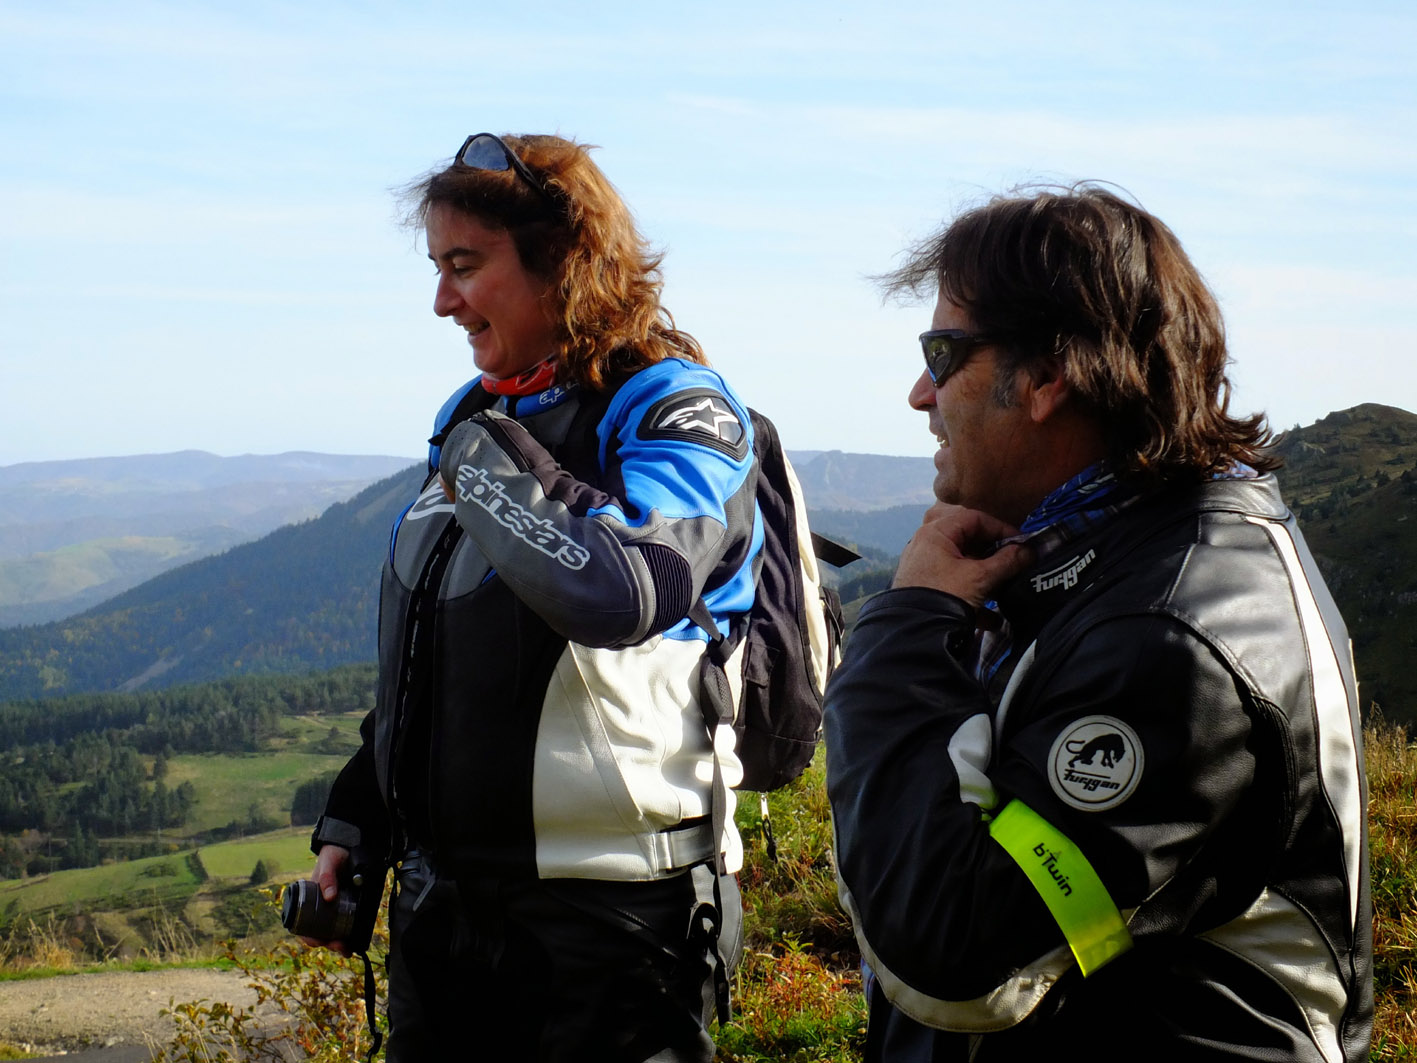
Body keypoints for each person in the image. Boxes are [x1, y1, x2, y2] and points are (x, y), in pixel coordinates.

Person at [824, 185, 1373, 1061]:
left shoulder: (1174, 635)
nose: (919, 393)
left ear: (1048, 375)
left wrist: (905, 624)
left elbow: (952, 952)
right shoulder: (1096, 557)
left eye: (941, 352)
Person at [302, 133, 757, 1062]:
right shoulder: (472, 418)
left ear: (562, 259)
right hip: (445, 912)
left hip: (615, 917)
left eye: (464, 266)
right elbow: (436, 650)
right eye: (437, 268)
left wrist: (498, 459)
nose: (441, 301)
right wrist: (360, 818)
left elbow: (627, 587)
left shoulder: (674, 406)